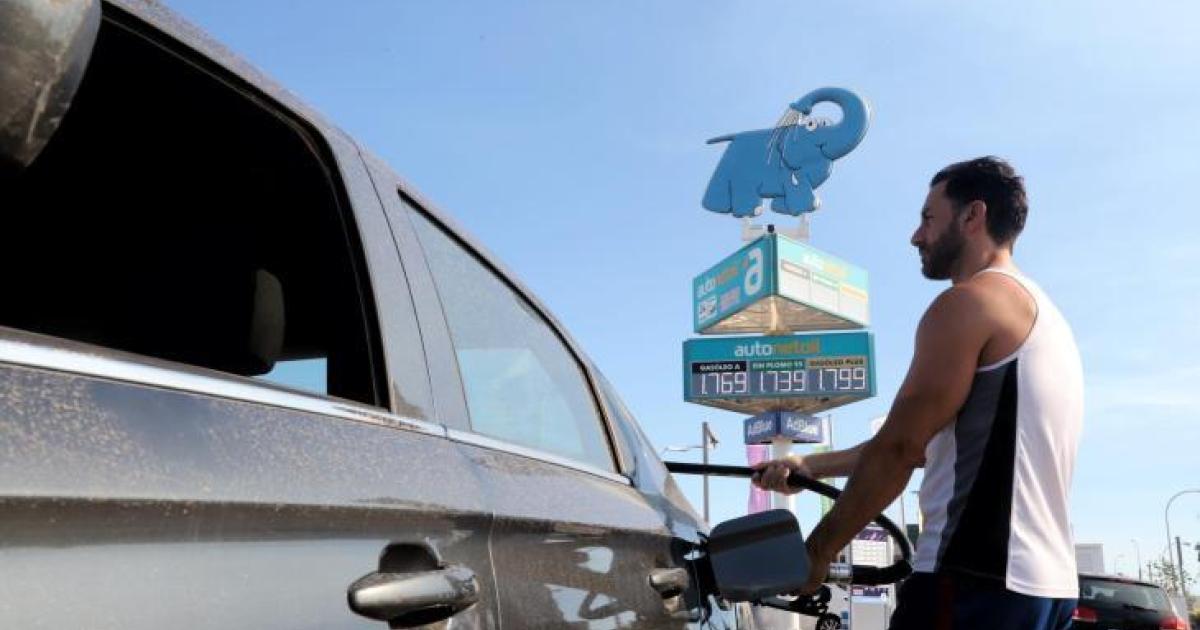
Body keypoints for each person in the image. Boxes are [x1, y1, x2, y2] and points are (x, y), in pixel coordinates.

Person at [753, 156, 1083, 629]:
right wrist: (810, 465)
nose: (916, 236)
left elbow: (900, 448)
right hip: (1048, 588)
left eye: (929, 218)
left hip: (974, 582)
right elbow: (935, 445)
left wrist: (818, 551)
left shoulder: (968, 304)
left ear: (973, 216)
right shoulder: (1046, 318)